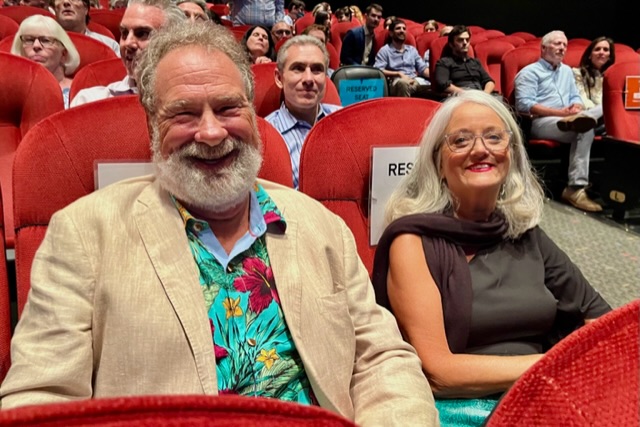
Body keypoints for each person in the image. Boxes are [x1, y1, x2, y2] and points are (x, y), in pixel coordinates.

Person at [0, 22, 439, 427]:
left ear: (252, 114)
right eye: (185, 114)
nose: (211, 133)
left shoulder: (319, 225)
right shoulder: (83, 232)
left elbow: (382, 358)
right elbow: (41, 395)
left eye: (228, 108)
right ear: (152, 125)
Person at [372, 90, 611, 427]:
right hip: (463, 411)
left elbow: (597, 316)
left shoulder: (525, 232)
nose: (481, 149)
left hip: (544, 396)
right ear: (438, 162)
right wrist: (555, 364)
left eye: (494, 137)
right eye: (461, 140)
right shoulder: (412, 241)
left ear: (510, 154)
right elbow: (439, 371)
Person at [515, 30, 604, 212]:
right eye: (557, 44)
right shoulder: (529, 72)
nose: (562, 48)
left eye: (564, 45)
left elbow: (575, 96)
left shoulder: (567, 72)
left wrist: (577, 106)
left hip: (569, 119)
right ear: (544, 47)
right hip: (542, 122)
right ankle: (576, 188)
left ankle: (575, 187)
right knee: (586, 126)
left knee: (601, 110)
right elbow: (524, 105)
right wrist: (560, 113)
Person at [70, 0, 185, 107]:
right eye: (124, 33)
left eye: (142, 33)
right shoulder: (90, 102)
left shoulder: (192, 103)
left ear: (174, 42)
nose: (128, 43)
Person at [266, 35, 341, 189]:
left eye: (317, 70)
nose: (308, 79)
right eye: (298, 68)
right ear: (279, 78)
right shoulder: (263, 137)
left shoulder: (347, 122)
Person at [11, 15, 80, 109]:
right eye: (29, 40)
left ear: (64, 54)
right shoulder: (9, 93)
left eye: (46, 40)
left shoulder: (79, 92)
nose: (36, 46)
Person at [374, 19, 429, 97]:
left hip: (414, 80)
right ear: (391, 33)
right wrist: (398, 74)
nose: (402, 30)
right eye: (398, 28)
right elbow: (378, 70)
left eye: (404, 28)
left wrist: (435, 76)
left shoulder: (412, 50)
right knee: (403, 83)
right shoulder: (385, 50)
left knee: (437, 86)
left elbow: (422, 68)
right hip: (396, 81)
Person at [434, 25, 495, 95]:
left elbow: (489, 81)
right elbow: (443, 84)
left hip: (482, 95)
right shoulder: (444, 62)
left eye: (467, 39)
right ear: (451, 44)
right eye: (460, 40)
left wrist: (485, 94)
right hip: (461, 97)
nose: (465, 43)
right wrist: (466, 93)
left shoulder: (475, 62)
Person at [53, 0, 120, 56]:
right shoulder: (43, 44)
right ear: (54, 9)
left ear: (86, 9)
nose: (66, 2)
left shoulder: (109, 46)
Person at [573, 37, 615, 111]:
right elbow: (582, 98)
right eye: (597, 49)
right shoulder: (578, 73)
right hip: (589, 113)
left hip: (609, 113)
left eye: (605, 50)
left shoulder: (614, 75)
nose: (601, 52)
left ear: (610, 57)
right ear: (589, 55)